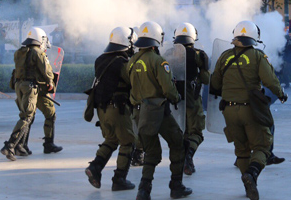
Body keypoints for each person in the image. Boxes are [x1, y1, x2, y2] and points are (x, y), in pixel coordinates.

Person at [210, 20, 287, 200]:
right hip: (250, 109)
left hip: (228, 110)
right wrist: (282, 94)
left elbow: (214, 84)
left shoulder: (224, 56)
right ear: (255, 37)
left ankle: (249, 187)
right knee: (263, 146)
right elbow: (270, 81)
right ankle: (252, 174)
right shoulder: (258, 56)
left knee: (242, 150)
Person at [128, 21, 192, 200]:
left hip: (138, 113)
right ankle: (176, 186)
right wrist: (176, 98)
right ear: (157, 38)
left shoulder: (132, 61)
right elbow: (168, 89)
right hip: (157, 112)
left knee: (151, 152)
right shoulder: (158, 61)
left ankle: (144, 190)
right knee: (178, 142)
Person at [85, 26, 138, 191]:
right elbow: (132, 82)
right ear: (126, 43)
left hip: (102, 110)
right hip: (118, 109)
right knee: (128, 142)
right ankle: (119, 179)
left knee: (111, 139)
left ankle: (95, 167)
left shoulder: (100, 59)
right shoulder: (122, 63)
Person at [0, 27, 62, 161]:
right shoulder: (37, 52)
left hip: (21, 86)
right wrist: (50, 82)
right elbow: (46, 70)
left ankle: (23, 146)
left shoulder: (19, 52)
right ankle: (10, 145)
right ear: (40, 39)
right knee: (27, 116)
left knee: (40, 114)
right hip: (33, 88)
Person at [172, 22, 210, 176]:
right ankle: (188, 157)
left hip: (175, 101)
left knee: (181, 133)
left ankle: (185, 162)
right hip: (192, 101)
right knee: (196, 133)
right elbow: (206, 79)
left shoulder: (169, 53)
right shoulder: (198, 54)